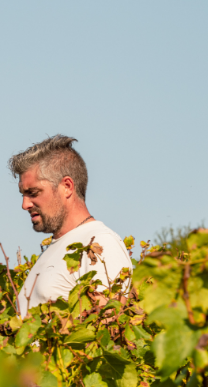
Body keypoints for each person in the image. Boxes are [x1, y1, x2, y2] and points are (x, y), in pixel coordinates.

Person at [8, 135, 132, 318]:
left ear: (67, 187)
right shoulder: (56, 247)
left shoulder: (100, 244)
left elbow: (106, 331)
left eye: (33, 193)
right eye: (23, 195)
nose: (25, 204)